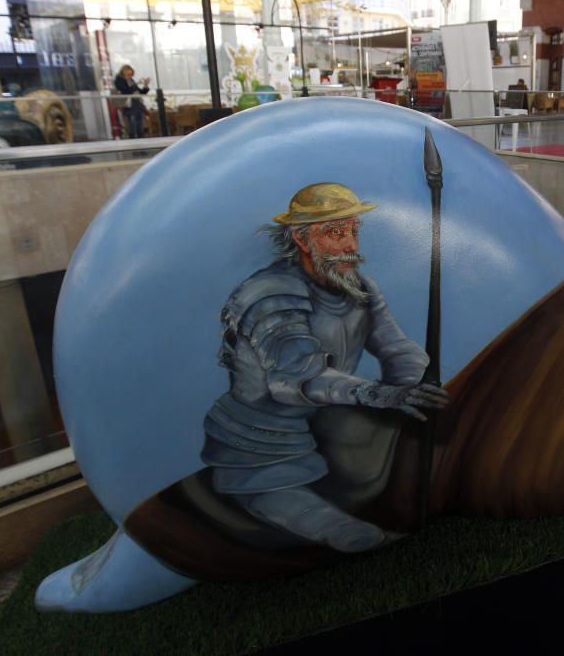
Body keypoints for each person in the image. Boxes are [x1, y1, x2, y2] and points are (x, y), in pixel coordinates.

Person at [200, 182, 450, 553]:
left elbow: (396, 349)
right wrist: (385, 395)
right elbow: (298, 379)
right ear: (302, 240)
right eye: (335, 233)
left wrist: (418, 388)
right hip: (262, 444)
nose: (350, 245)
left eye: (352, 231)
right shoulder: (270, 294)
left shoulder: (359, 285)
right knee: (351, 536)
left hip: (329, 425)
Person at [114, 65, 150, 139]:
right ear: (123, 72)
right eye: (128, 74)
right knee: (132, 125)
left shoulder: (131, 80)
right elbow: (126, 91)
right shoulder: (119, 80)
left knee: (140, 125)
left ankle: (141, 141)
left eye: (131, 74)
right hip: (129, 106)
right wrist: (135, 84)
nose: (129, 76)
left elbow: (140, 92)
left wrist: (146, 86)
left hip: (138, 104)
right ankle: (133, 141)